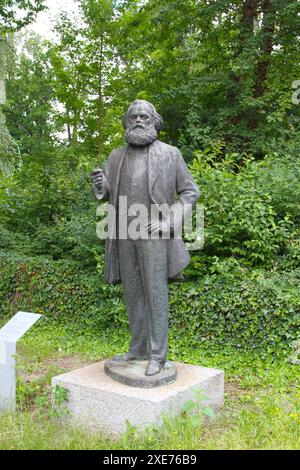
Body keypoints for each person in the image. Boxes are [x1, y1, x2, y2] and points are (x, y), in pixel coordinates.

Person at [91, 100, 199, 376]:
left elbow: (190, 192)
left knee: (155, 293)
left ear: (154, 121)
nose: (138, 120)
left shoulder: (170, 154)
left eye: (144, 116)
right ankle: (138, 348)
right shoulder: (116, 156)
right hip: (123, 232)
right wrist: (101, 187)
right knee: (133, 294)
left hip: (153, 233)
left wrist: (169, 222)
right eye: (133, 116)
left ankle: (158, 355)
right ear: (127, 122)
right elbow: (107, 194)